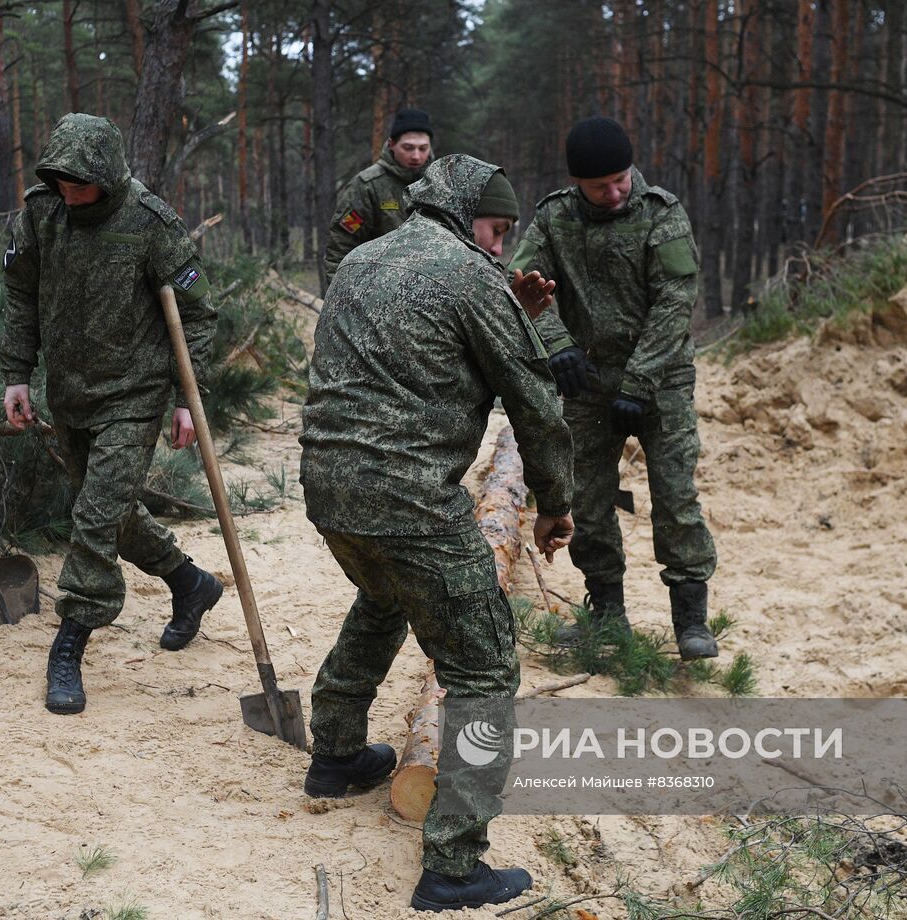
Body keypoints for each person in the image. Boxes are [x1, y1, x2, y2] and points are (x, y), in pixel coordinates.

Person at [300, 154, 572, 912]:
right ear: (465, 216)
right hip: (410, 499)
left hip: (327, 485)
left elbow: (414, 344)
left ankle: (337, 755)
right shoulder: (473, 276)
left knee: (383, 595)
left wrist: (504, 305)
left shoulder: (362, 259)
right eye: (496, 229)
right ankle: (454, 864)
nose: (501, 245)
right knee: (484, 670)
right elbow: (538, 404)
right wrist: (553, 503)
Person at [0, 113, 225, 715]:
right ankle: (190, 583)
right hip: (69, 392)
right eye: (62, 183)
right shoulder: (43, 212)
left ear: (108, 177)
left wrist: (186, 397)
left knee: (94, 519)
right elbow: (21, 292)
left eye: (82, 185)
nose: (71, 195)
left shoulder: (151, 223)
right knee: (111, 511)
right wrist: (17, 374)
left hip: (134, 393)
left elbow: (198, 315)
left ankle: (70, 642)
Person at [508, 116, 719, 660]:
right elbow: (522, 286)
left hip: (661, 381)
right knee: (587, 502)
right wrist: (558, 344)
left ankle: (691, 620)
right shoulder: (554, 218)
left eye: (621, 179)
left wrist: (640, 382)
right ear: (579, 183)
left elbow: (675, 306)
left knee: (675, 498)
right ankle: (608, 615)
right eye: (601, 185)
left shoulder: (661, 214)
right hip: (588, 385)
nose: (616, 191)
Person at [323, 107, 434, 285]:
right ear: (391, 144)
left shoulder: (439, 183)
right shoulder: (367, 186)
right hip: (377, 290)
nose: (416, 156)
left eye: (423, 148)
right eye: (408, 148)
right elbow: (341, 243)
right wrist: (338, 295)